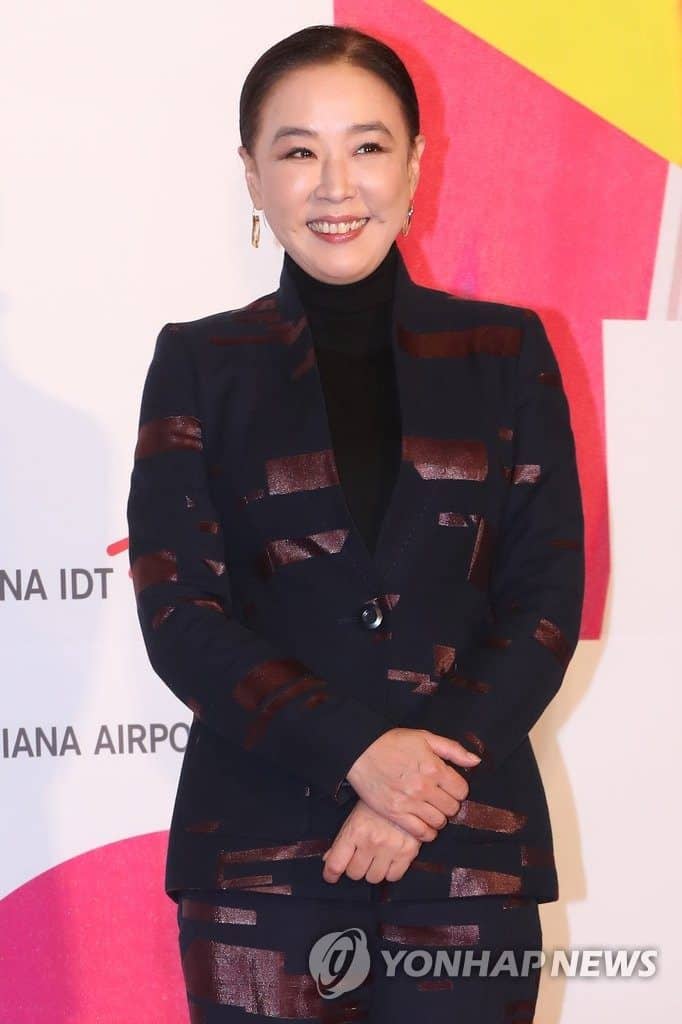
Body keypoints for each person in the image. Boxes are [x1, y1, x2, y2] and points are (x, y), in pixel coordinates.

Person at [126, 23, 585, 1022]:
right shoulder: (200, 364)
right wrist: (358, 754)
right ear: (252, 175)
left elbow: (546, 602)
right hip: (258, 869)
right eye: (298, 151)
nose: (336, 186)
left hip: (465, 863)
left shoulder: (505, 351)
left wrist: (413, 790)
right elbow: (179, 613)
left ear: (414, 163)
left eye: (367, 146)